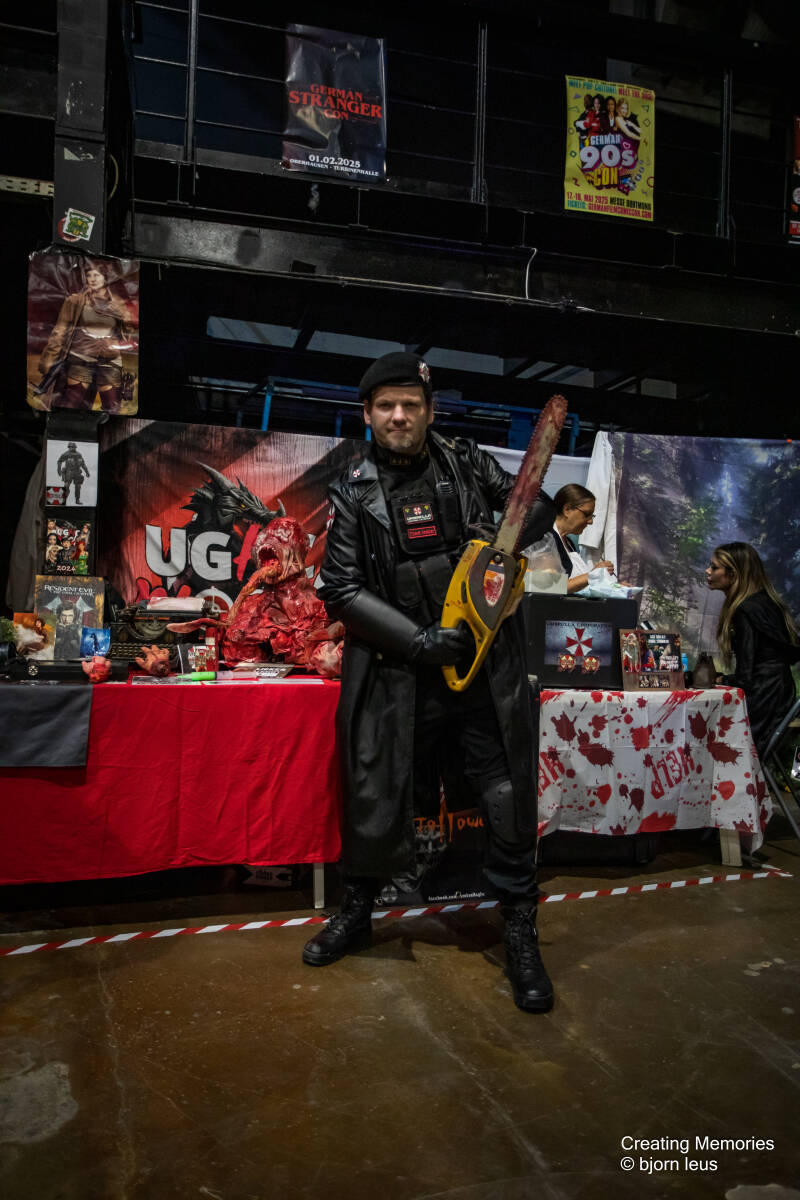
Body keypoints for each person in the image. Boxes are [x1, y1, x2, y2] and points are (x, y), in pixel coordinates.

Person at [302, 351, 557, 1013]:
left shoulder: (466, 462)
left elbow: (536, 505)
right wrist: (418, 642)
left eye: (410, 404)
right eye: (386, 405)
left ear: (429, 410)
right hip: (397, 672)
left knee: (505, 793)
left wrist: (500, 538)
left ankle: (520, 928)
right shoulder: (352, 488)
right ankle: (358, 911)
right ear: (367, 414)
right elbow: (341, 588)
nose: (399, 416)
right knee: (377, 793)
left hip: (482, 668)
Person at [706, 542, 799, 756]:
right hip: (779, 695)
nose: (708, 571)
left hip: (763, 701)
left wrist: (719, 679)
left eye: (714, 567)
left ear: (733, 575)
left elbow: (745, 680)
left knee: (702, 732)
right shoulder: (764, 603)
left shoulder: (745, 611)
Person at [38, 263, 135, 413]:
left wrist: (124, 316)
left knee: (112, 406)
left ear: (105, 278)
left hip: (110, 357)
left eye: (96, 275)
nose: (92, 279)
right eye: (89, 275)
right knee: (71, 403)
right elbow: (60, 330)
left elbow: (128, 333)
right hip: (82, 354)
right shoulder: (75, 301)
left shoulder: (118, 304)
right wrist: (50, 358)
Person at [545, 483, 614, 594]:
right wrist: (592, 575)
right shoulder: (546, 540)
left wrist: (615, 588)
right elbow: (547, 586)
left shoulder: (569, 544)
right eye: (586, 514)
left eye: (592, 516)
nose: (590, 521)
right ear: (567, 509)